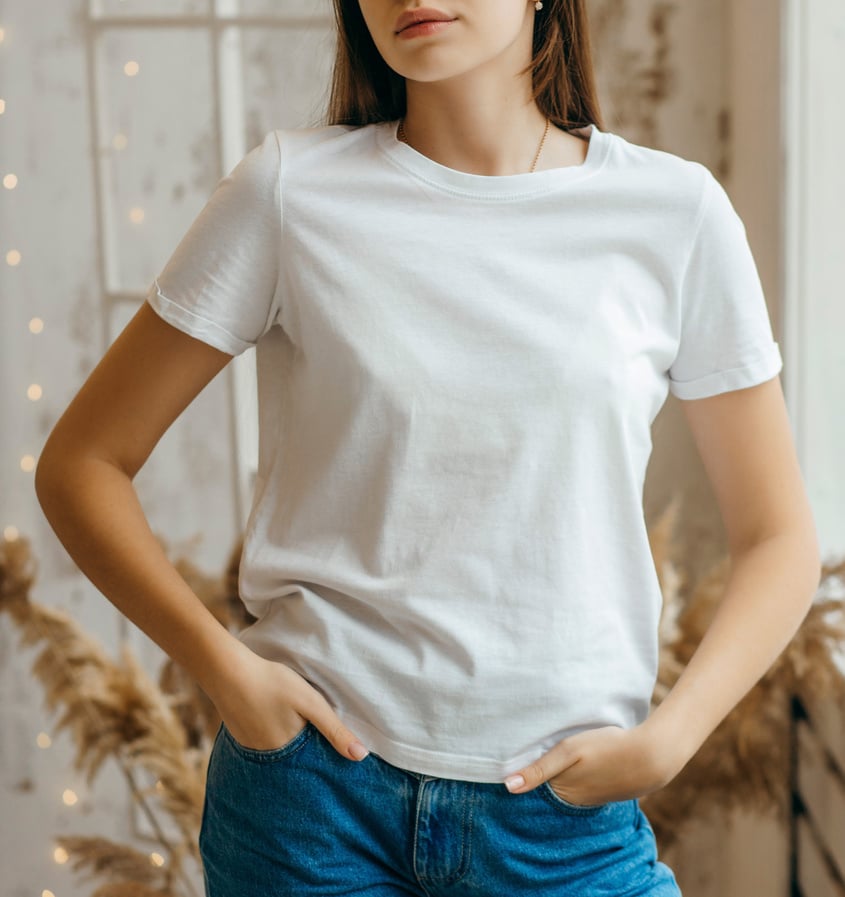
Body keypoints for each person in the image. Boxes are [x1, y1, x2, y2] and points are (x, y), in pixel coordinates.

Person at [34, 0, 821, 895]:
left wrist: (671, 737)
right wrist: (228, 670)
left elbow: (778, 537)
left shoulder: (672, 215)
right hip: (310, 806)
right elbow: (82, 465)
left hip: (560, 820)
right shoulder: (292, 192)